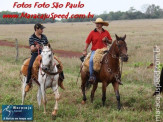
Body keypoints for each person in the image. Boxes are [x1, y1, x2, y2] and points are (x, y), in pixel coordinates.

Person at [83, 18, 112, 83]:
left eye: (99, 23)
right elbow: (87, 42)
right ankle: (91, 76)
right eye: (97, 23)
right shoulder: (92, 33)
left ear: (102, 24)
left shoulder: (106, 32)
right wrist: (85, 50)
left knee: (114, 59)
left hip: (104, 50)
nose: (97, 25)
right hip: (95, 51)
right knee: (91, 61)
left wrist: (107, 39)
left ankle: (115, 75)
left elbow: (110, 41)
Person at [25, 23, 48, 92]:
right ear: (36, 29)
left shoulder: (44, 37)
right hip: (36, 54)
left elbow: (47, 45)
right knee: (30, 67)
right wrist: (36, 47)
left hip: (45, 54)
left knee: (56, 62)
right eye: (41, 29)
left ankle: (60, 79)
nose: (42, 30)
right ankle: (28, 83)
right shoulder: (31, 37)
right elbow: (32, 49)